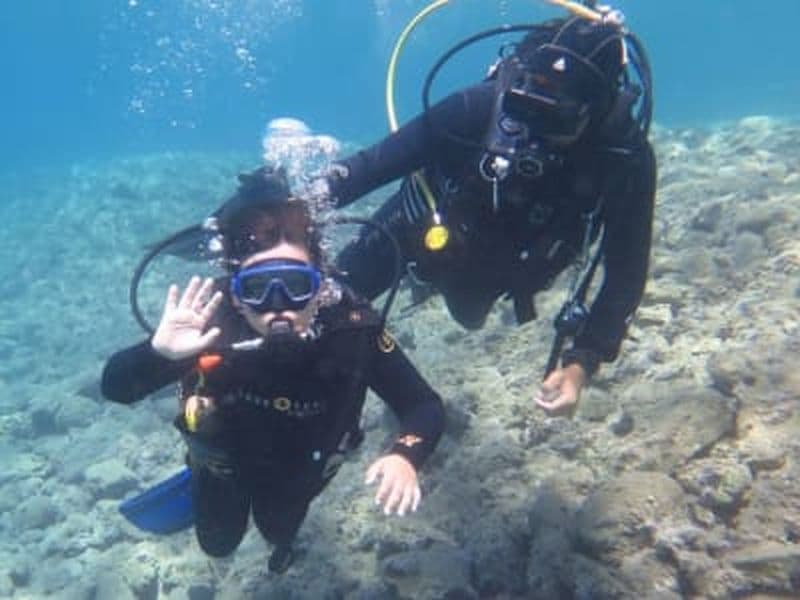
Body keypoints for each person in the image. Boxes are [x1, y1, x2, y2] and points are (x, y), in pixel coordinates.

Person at [101, 167, 445, 573]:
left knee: (278, 531)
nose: (278, 306)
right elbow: (115, 387)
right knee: (218, 545)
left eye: (296, 285)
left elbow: (422, 405)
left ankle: (282, 544)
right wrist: (160, 354)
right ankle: (201, 483)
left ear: (320, 287)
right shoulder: (209, 323)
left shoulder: (352, 328)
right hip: (222, 467)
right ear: (236, 294)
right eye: (257, 289)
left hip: (303, 470)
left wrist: (406, 456)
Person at [317, 14, 656, 417]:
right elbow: (368, 168)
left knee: (468, 313)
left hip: (496, 274)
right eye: (526, 107)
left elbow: (626, 273)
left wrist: (582, 363)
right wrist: (282, 211)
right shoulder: (477, 107)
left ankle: (430, 286)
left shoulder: (624, 161)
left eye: (556, 118)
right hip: (417, 226)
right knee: (327, 302)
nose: (534, 129)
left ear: (597, 112)